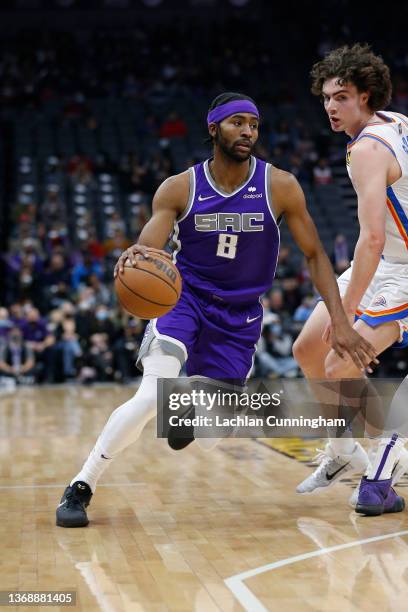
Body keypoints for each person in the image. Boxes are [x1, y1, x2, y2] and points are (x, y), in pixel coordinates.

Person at [56, 91, 376, 528]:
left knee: (210, 436)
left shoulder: (278, 185)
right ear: (213, 129)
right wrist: (136, 255)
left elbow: (317, 256)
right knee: (152, 393)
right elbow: (150, 244)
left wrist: (340, 320)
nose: (247, 131)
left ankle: (186, 410)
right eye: (237, 123)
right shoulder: (180, 187)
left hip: (239, 317)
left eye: (254, 125)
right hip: (184, 301)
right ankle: (82, 485)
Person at [294, 44, 408, 515]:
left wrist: (345, 317)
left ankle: (389, 458)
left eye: (340, 96)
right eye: (325, 97)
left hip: (401, 269)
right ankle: (343, 454)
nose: (330, 106)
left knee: (340, 363)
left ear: (365, 95)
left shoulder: (366, 148)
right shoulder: (396, 120)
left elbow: (373, 239)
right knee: (307, 349)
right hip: (387, 262)